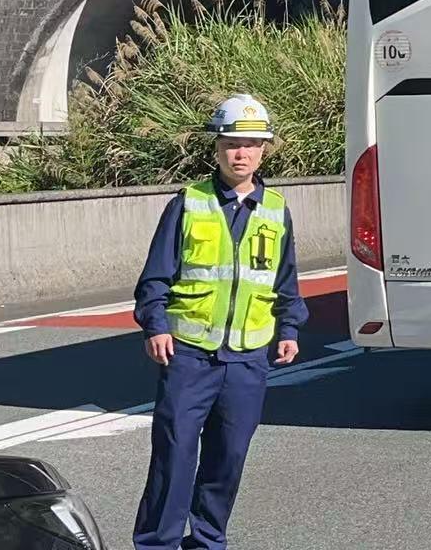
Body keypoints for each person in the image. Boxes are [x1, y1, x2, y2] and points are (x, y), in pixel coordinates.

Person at [131, 94, 308, 550]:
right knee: (174, 455)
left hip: (248, 361)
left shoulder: (276, 211)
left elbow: (285, 279)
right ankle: (156, 544)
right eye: (231, 144)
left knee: (228, 459)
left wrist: (289, 328)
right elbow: (156, 275)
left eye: (250, 145)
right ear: (217, 148)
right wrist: (156, 325)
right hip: (189, 356)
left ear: (263, 150)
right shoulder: (189, 203)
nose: (240, 154)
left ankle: (208, 542)